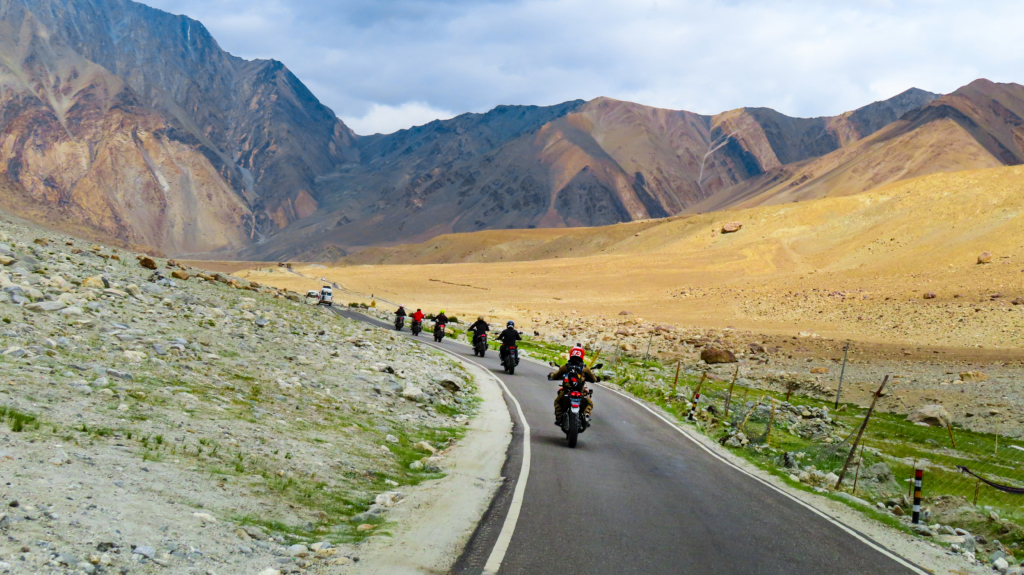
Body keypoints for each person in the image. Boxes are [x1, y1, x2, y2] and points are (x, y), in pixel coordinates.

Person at [548, 345, 596, 424]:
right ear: (582, 355)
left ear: (571, 353)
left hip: (567, 391)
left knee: (557, 401)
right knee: (590, 403)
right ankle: (586, 415)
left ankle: (559, 417)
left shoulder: (566, 366)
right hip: (581, 391)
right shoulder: (585, 368)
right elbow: (593, 379)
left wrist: (551, 375)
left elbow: (555, 375)